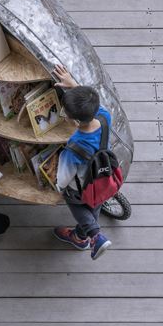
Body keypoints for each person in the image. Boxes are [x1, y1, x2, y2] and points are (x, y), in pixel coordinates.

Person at [51, 64, 114, 260]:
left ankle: (90, 237)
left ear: (74, 121)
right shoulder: (104, 116)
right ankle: (82, 234)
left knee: (79, 207)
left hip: (81, 186)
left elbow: (64, 177)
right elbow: (93, 106)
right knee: (94, 203)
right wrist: (74, 86)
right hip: (104, 172)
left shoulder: (74, 146)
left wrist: (58, 187)